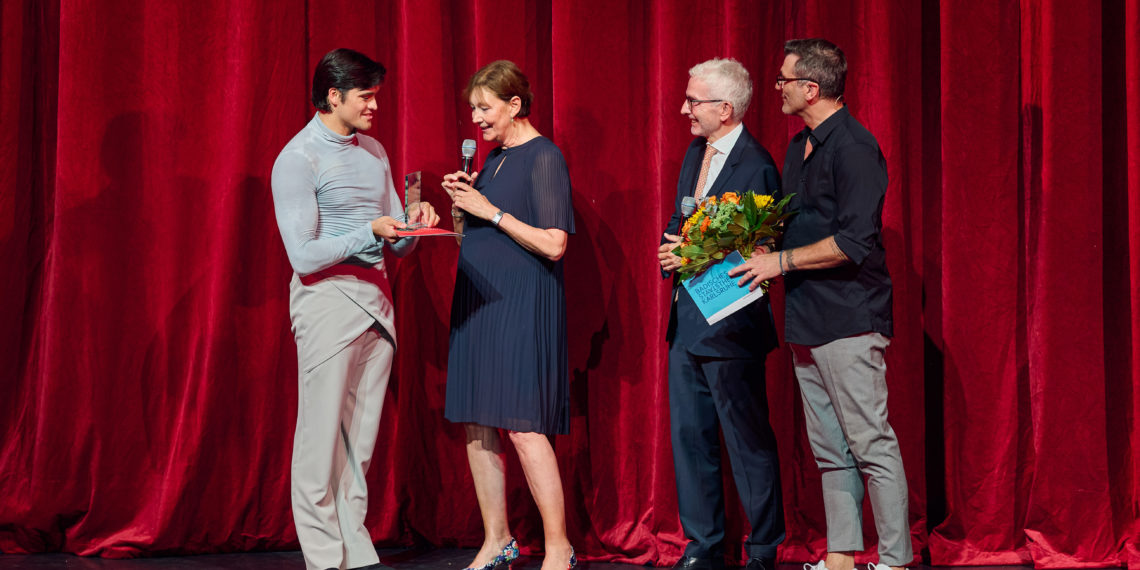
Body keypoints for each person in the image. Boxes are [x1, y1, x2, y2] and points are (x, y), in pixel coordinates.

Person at [729, 39, 912, 570]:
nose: (777, 87)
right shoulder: (798, 145)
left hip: (851, 317)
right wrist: (764, 248)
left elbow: (853, 242)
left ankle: (895, 562)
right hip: (807, 317)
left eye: (784, 79)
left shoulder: (855, 148)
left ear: (811, 88)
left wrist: (779, 264)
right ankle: (840, 560)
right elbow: (797, 227)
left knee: (870, 445)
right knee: (831, 452)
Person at [271, 48, 440, 570]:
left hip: (376, 304)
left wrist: (413, 222)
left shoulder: (375, 152)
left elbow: (398, 242)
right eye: (365, 95)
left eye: (375, 94)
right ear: (332, 96)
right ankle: (324, 558)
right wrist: (367, 230)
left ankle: (356, 552)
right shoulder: (297, 159)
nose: (374, 105)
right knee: (320, 439)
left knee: (359, 443)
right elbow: (303, 255)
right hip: (326, 303)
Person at [441, 60, 577, 570]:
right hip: (478, 302)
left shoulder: (544, 157)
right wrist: (461, 210)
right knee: (478, 423)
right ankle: (496, 539)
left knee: (522, 427)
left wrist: (490, 211)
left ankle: (559, 546)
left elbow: (554, 244)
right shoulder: (493, 159)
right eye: (473, 108)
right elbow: (475, 237)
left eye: (485, 107)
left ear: (515, 105)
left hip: (521, 303)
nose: (477, 118)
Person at [655, 58, 784, 570]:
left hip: (731, 327)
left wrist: (690, 253)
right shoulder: (695, 152)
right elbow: (682, 216)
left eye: (693, 101)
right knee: (691, 440)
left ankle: (762, 549)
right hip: (687, 324)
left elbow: (760, 244)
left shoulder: (757, 164)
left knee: (747, 442)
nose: (683, 108)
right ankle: (702, 546)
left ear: (724, 108)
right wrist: (669, 248)